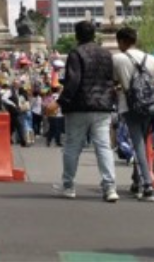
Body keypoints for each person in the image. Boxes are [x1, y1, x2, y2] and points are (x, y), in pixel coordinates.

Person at [57, 21, 118, 202]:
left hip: (79, 105)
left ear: (77, 35)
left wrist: (62, 100)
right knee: (103, 147)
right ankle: (110, 187)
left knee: (72, 147)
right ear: (94, 35)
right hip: (102, 105)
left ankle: (69, 185)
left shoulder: (76, 53)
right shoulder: (107, 54)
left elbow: (74, 80)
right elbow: (110, 80)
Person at [112, 27, 154, 203]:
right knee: (143, 143)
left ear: (121, 41)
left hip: (130, 106)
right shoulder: (151, 58)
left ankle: (148, 186)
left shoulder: (118, 59)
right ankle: (138, 181)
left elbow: (112, 81)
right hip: (150, 107)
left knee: (138, 145)